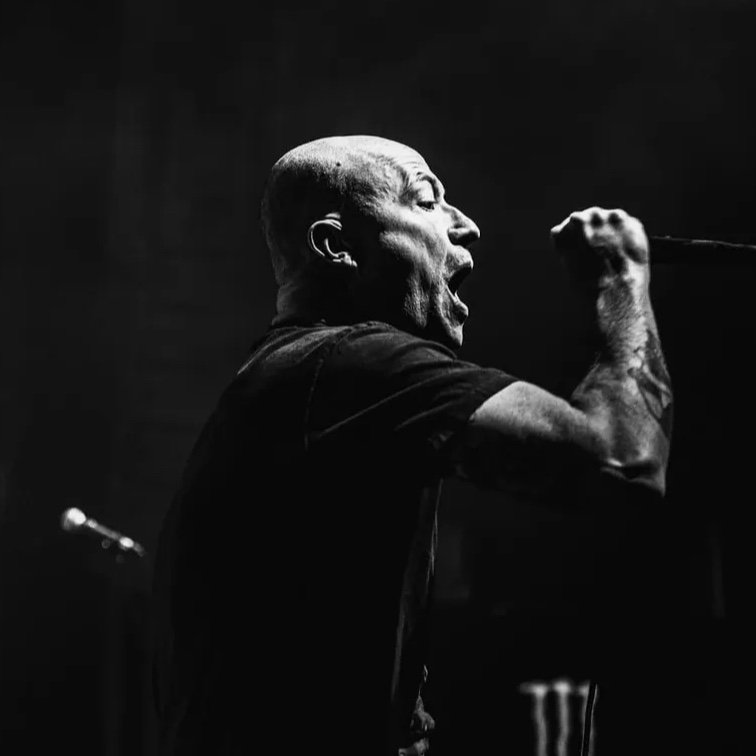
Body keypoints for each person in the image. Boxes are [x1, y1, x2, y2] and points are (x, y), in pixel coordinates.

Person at [151, 135, 672, 755]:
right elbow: (621, 459)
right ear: (336, 246)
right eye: (426, 201)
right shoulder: (349, 364)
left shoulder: (300, 376)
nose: (467, 226)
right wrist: (620, 280)